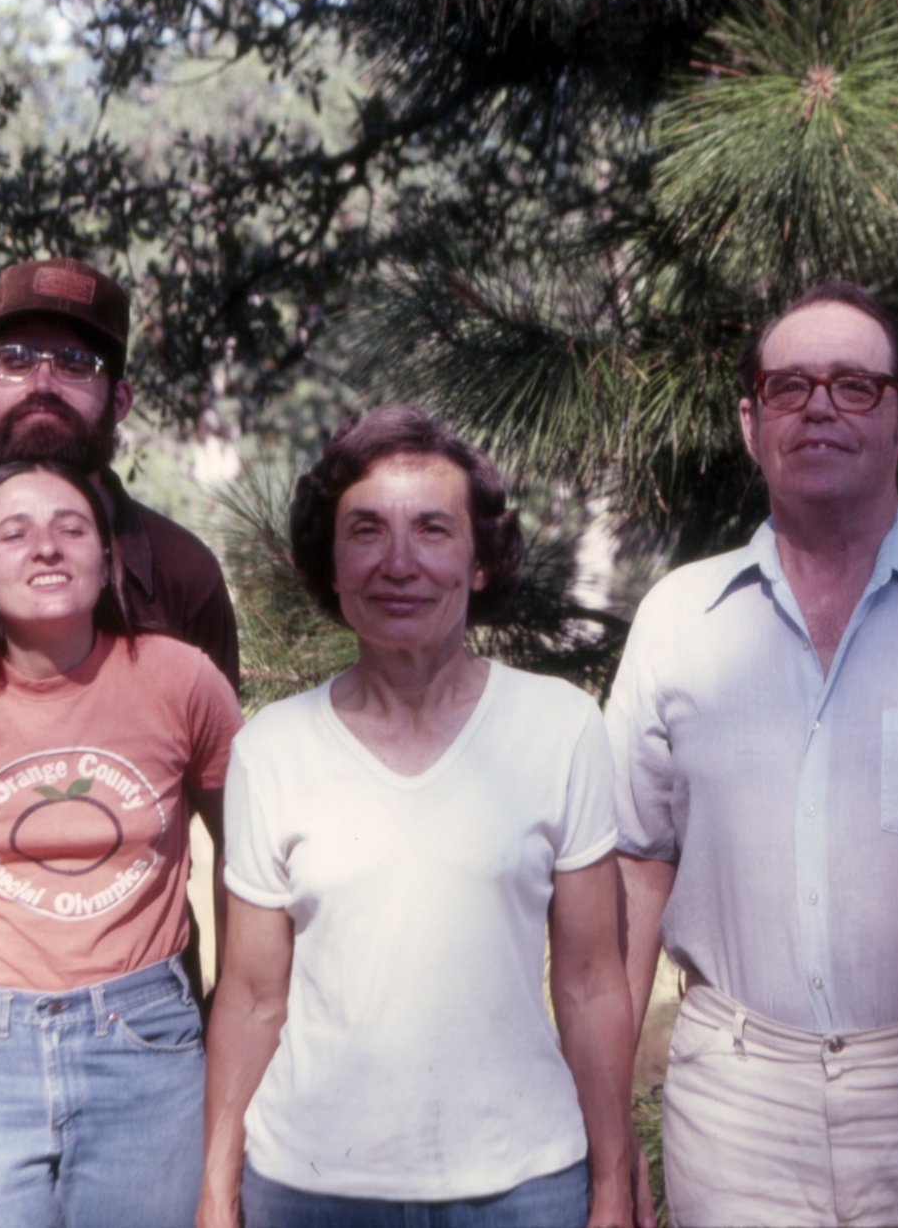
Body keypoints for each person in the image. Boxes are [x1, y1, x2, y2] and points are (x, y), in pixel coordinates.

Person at [607, 282, 898, 1227]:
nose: (819, 407)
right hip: (735, 1102)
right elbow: (635, 867)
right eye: (788, 386)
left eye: (855, 385)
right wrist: (608, 1121)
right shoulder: (676, 620)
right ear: (751, 424)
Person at [198, 406, 636, 1228]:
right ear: (331, 564)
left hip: (522, 1188)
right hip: (311, 1191)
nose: (399, 563)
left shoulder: (560, 728)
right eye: (366, 530)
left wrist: (612, 1182)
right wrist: (216, 1189)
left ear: (480, 560)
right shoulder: (272, 748)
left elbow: (590, 981)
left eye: (433, 529)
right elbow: (252, 997)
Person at [0, 257, 240, 1011]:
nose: (44, 381)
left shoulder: (185, 576)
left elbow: (230, 832)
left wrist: (230, 1005)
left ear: (120, 398)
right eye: (17, 359)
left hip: (149, 1000)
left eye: (77, 363)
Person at [0, 460, 242, 1228]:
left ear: (107, 561)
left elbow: (245, 854)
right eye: (15, 532)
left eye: (72, 529)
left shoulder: (184, 682)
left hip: (145, 1042)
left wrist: (227, 1005)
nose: (46, 546)